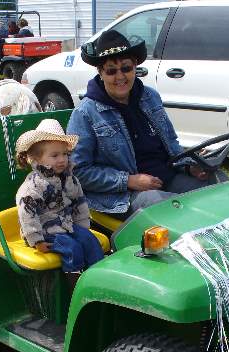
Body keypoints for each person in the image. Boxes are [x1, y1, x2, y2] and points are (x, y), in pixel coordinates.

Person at [66, 30, 213, 217]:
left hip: (166, 177)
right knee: (176, 210)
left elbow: (172, 144)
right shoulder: (86, 113)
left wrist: (189, 166)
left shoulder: (150, 97)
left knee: (216, 185)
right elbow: (78, 172)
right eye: (111, 70)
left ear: (135, 66)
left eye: (126, 68)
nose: (120, 77)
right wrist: (129, 181)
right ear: (100, 73)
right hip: (123, 196)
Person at [15, 119, 104, 274]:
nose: (62, 159)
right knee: (72, 249)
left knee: (90, 241)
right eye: (55, 155)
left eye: (65, 154)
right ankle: (75, 284)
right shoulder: (33, 186)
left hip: (67, 225)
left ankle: (97, 276)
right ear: (36, 159)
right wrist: (37, 241)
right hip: (44, 230)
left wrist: (82, 229)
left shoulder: (70, 179)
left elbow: (79, 203)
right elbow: (26, 214)